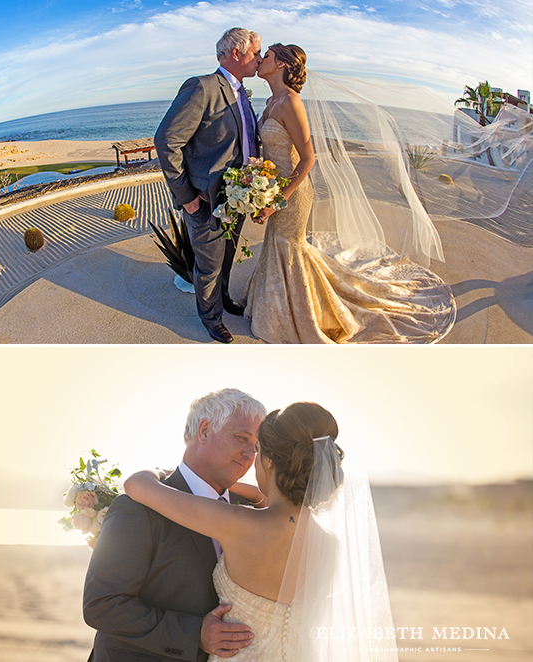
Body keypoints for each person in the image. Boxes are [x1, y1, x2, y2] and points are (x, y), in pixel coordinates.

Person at [123, 402, 397, 661]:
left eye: (258, 450)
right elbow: (282, 509)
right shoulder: (330, 541)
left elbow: (136, 484)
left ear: (269, 461)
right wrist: (247, 490)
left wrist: (162, 471)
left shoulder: (238, 523)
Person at [242, 43, 455, 343]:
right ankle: (273, 306)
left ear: (281, 65)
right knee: (277, 247)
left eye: (267, 56)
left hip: (293, 194)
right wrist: (257, 188)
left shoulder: (292, 103)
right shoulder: (270, 102)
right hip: (273, 189)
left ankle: (299, 313)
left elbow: (308, 158)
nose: (260, 59)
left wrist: (277, 199)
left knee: (290, 248)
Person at [83, 388, 267, 661]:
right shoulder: (137, 506)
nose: (250, 453)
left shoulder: (253, 510)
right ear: (203, 431)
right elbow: (102, 604)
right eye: (241, 437)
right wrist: (194, 634)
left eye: (257, 445)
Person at [155, 28, 263, 344]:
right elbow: (166, 141)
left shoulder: (241, 93)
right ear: (236, 53)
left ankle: (224, 298)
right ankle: (210, 318)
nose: (259, 58)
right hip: (205, 198)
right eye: (255, 53)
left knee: (227, 253)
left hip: (238, 195)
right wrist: (187, 197)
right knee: (209, 266)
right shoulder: (202, 88)